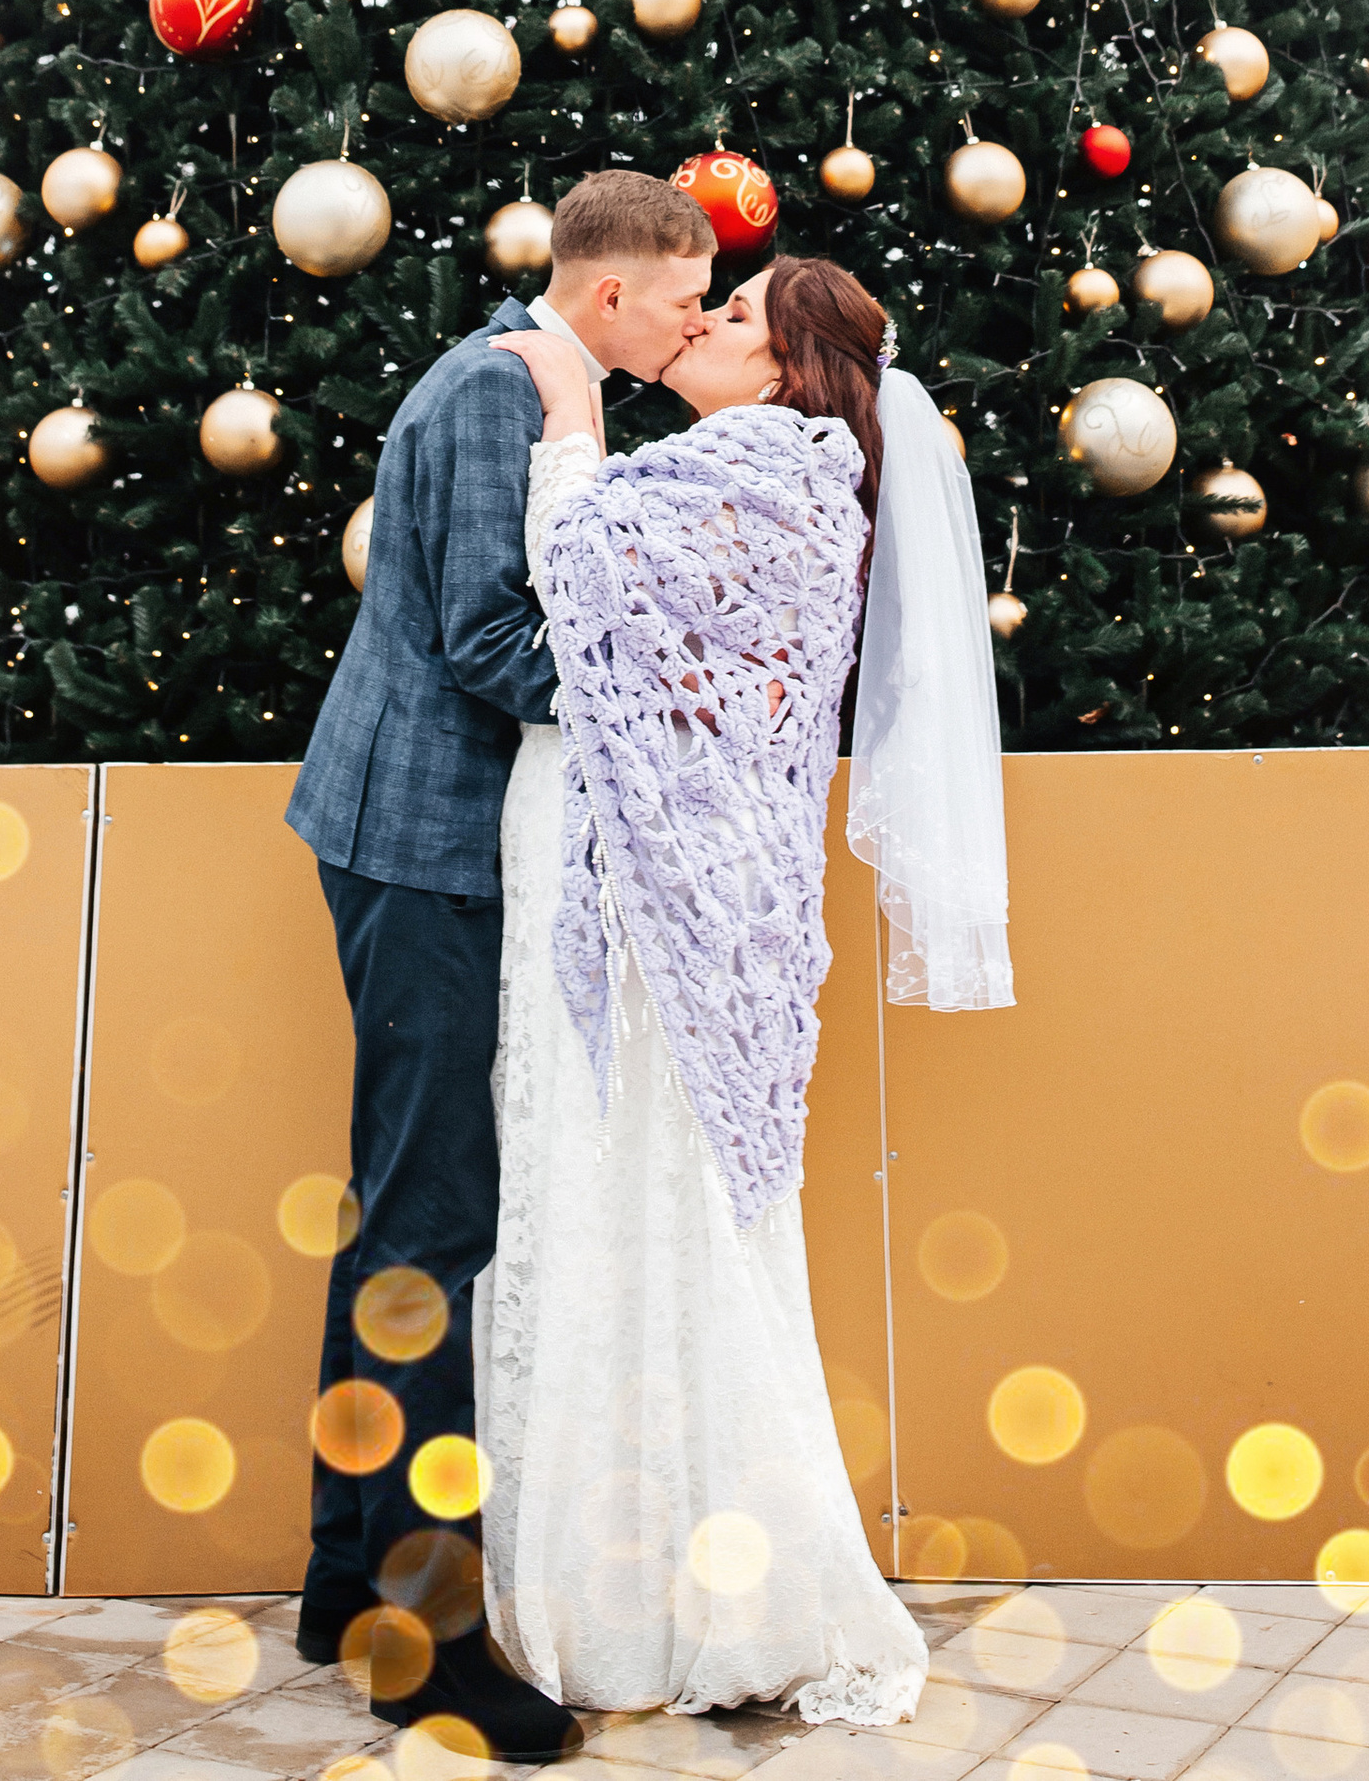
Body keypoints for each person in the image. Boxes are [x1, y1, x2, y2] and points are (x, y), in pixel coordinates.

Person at [477, 255, 1014, 1724]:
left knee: (657, 1201)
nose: (705, 321)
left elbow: (579, 570)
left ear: (782, 364)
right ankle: (668, 1574)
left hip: (678, 913)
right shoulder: (771, 457)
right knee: (659, 1208)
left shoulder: (773, 461)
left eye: (732, 313)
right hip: (691, 899)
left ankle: (698, 1593)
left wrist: (573, 414)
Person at [284, 167, 716, 1763]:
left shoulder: (545, 389)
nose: (694, 323)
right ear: (609, 294)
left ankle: (343, 1575)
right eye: (685, 298)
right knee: (433, 1220)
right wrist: (665, 702)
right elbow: (486, 635)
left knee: (408, 1205)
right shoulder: (492, 392)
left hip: (440, 842)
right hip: (418, 839)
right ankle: (421, 1633)